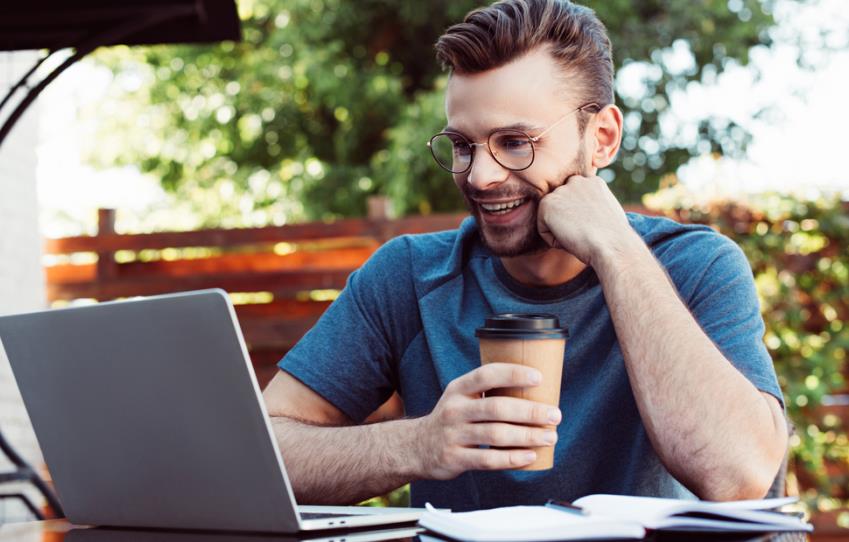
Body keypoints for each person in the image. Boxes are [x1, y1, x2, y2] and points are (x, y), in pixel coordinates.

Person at [262, 0, 788, 511]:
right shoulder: (407, 277)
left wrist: (616, 252)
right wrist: (417, 445)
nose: (480, 175)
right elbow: (265, 451)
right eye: (464, 145)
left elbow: (737, 474)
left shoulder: (695, 267)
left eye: (516, 142)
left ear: (602, 138)